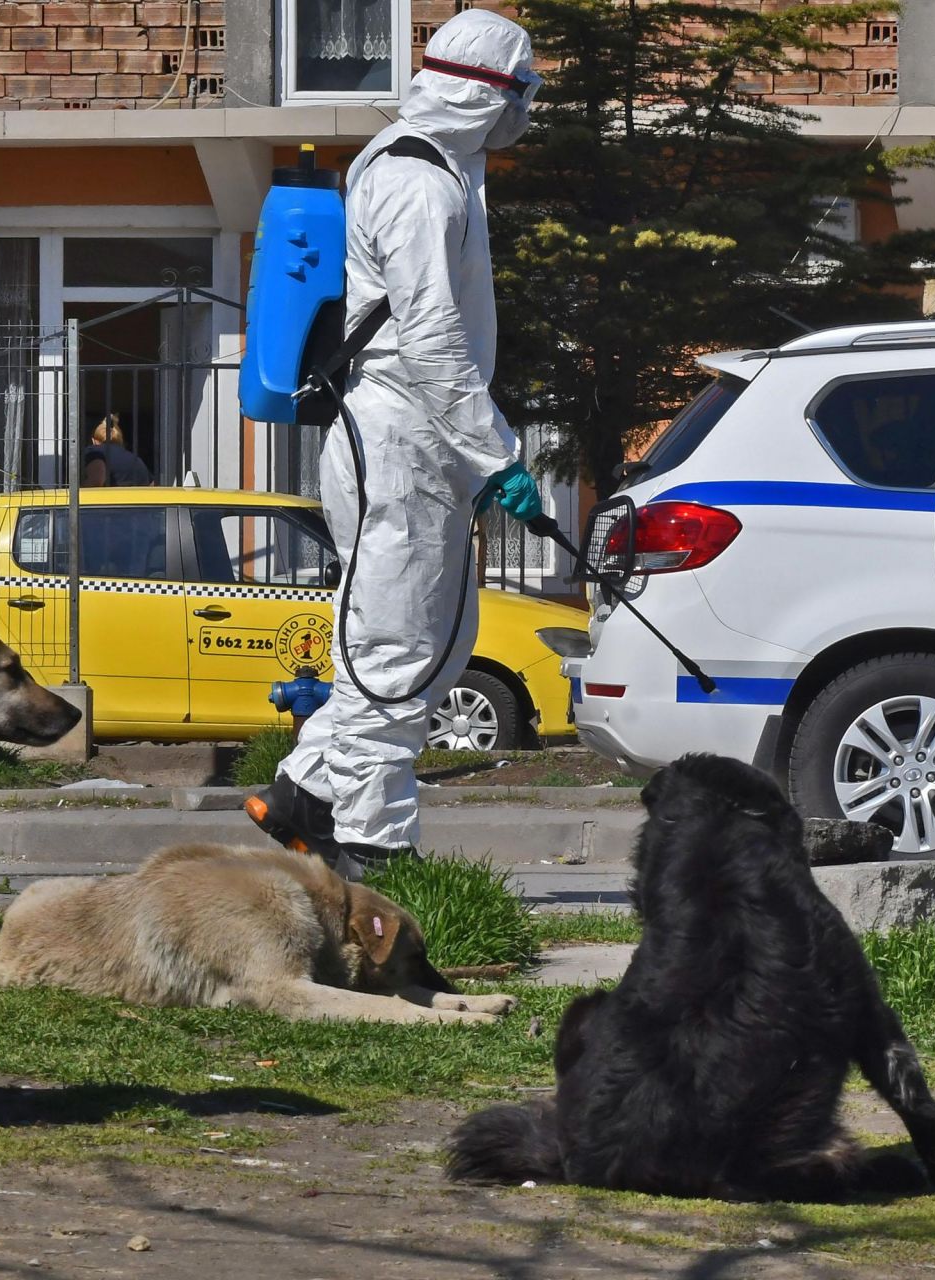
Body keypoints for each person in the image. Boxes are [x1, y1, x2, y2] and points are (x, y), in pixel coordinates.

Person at [245, 9, 544, 881]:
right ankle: (374, 851)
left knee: (437, 643)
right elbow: (432, 338)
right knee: (394, 648)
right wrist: (498, 455)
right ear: (489, 92)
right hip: (401, 438)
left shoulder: (440, 169)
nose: (524, 111)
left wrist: (477, 454)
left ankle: (303, 793)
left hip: (419, 441)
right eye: (520, 93)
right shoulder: (419, 181)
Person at [82, 415, 152, 487]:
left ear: (93, 440)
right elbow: (152, 484)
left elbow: (96, 480)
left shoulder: (93, 451)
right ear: (119, 440)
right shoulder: (137, 459)